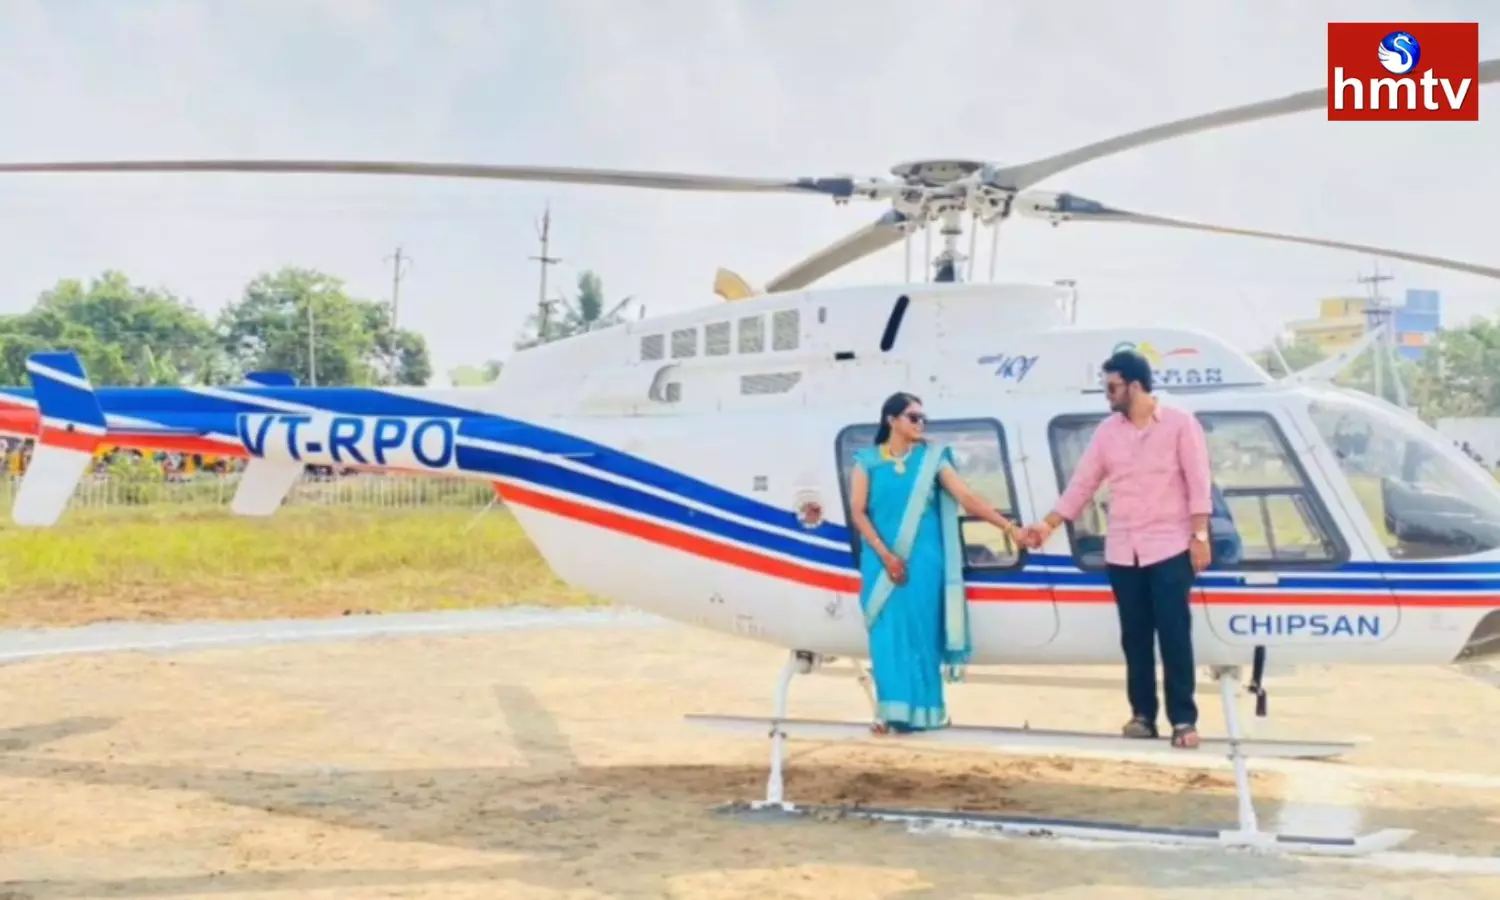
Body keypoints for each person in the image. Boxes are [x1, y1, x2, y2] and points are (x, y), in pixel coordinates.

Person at [1021, 350, 1213, 749]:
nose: (1107, 395)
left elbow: (1198, 481)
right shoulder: (1108, 432)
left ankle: (1183, 719)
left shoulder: (1180, 424)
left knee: (1175, 634)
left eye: (1112, 387)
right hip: (1124, 549)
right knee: (1135, 636)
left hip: (1169, 547)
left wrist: (1200, 536)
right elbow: (1083, 483)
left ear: (1135, 386)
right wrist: (1049, 523)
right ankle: (1142, 715)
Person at [848, 391, 1027, 734]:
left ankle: (926, 714)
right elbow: (858, 511)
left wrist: (1008, 528)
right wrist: (885, 555)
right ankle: (891, 712)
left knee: (921, 635)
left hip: (924, 564)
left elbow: (966, 497)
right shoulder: (867, 461)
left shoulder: (933, 458)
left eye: (922, 418)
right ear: (892, 421)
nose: (921, 424)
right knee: (887, 635)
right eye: (913, 417)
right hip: (881, 562)